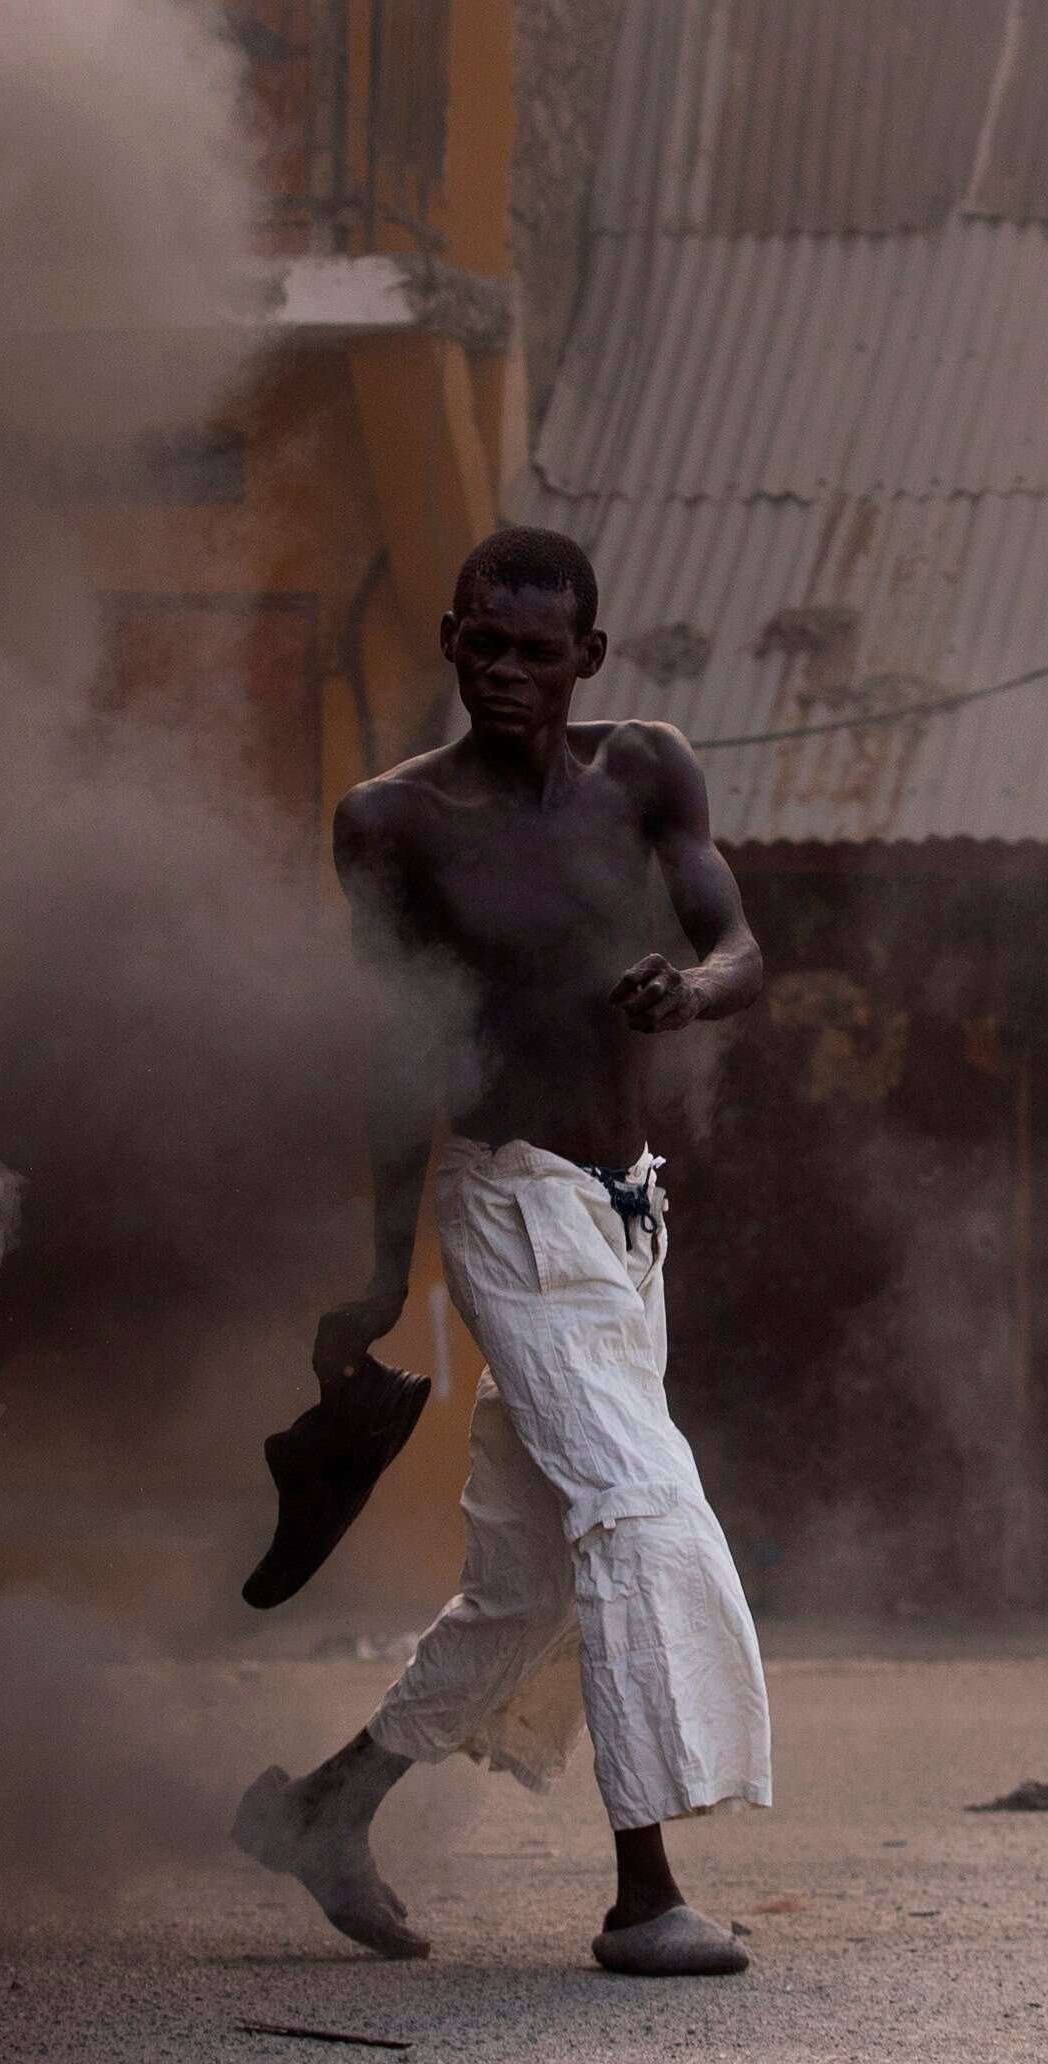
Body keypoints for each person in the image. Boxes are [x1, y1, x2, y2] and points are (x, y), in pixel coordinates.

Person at [232, 525, 773, 1977]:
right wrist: (379, 1271)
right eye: (483, 641)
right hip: (506, 1206)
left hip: (623, 1213)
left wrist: (694, 993)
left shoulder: (649, 769)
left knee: (533, 1580)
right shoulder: (393, 822)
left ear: (588, 659)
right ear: (455, 640)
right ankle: (644, 1892)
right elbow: (397, 1060)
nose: (507, 673)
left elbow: (739, 948)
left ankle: (323, 1808)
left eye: (539, 650)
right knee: (640, 1504)